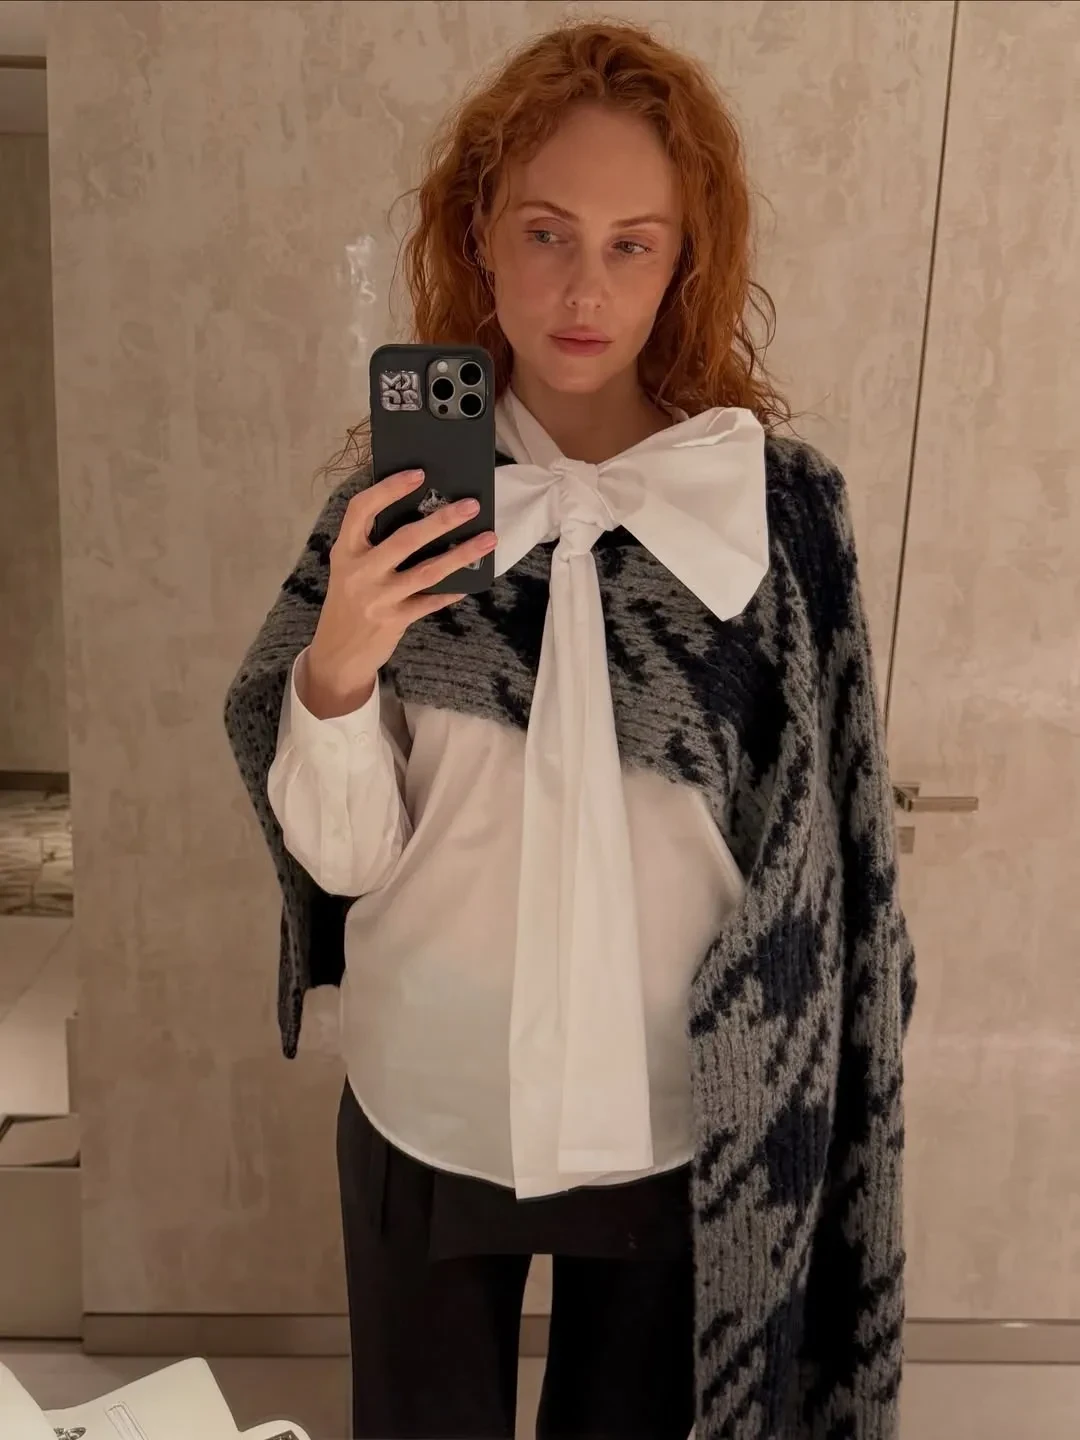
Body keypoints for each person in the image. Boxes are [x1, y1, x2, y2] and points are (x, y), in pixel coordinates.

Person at [225, 19, 914, 1440]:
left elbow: (829, 853)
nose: (584, 288)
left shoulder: (775, 518)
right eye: (545, 233)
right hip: (431, 1088)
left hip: (679, 1113)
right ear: (479, 235)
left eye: (630, 244)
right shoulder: (397, 511)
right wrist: (339, 670)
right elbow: (345, 867)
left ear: (683, 263)